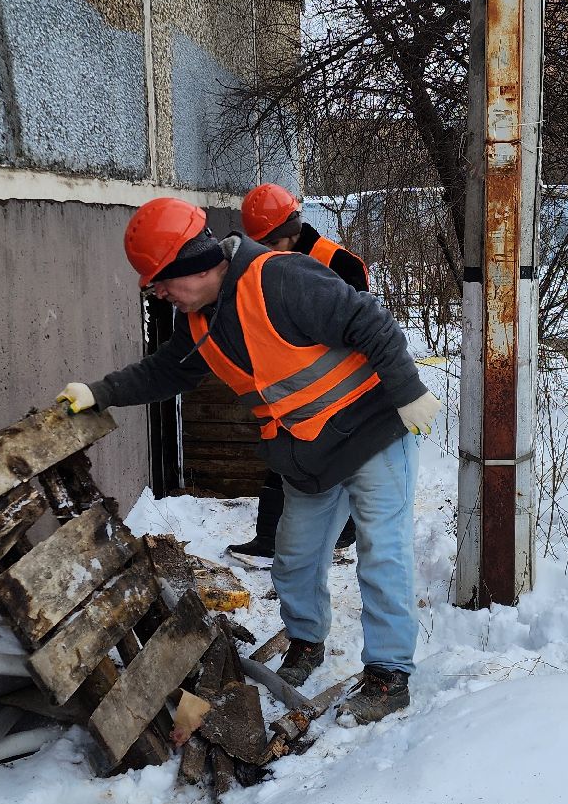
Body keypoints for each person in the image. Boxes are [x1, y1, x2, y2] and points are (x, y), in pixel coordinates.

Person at [56, 196, 439, 724]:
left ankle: (389, 677)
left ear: (192, 264)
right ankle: (305, 642)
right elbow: (165, 372)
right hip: (311, 455)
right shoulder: (197, 321)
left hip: (373, 432)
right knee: (294, 558)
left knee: (382, 555)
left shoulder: (279, 279)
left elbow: (366, 319)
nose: (157, 292)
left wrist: (408, 391)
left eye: (161, 281)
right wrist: (99, 392)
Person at [227, 183, 370, 564]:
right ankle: (268, 539)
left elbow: (362, 329)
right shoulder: (266, 265)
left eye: (268, 243)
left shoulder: (340, 264)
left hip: (335, 391)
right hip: (287, 389)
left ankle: (345, 532)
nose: (262, 253)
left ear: (288, 232)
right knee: (281, 461)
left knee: (346, 464)